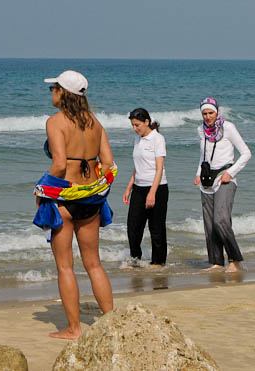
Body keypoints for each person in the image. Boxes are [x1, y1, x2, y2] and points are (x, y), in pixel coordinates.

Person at [33, 70, 115, 340]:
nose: (51, 93)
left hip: (65, 200)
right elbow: (109, 165)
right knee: (94, 264)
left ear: (62, 93)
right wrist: (97, 189)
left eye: (53, 88)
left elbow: (58, 164)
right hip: (91, 199)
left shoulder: (55, 122)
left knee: (65, 267)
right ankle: (112, 322)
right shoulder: (95, 122)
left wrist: (41, 189)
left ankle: (74, 328)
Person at [194, 97, 251, 273]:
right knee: (209, 224)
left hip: (225, 178)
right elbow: (204, 156)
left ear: (217, 112)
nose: (208, 116)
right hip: (206, 180)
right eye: (204, 113)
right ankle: (217, 262)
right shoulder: (200, 130)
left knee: (221, 220)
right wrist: (198, 173)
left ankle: (235, 260)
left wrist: (230, 173)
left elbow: (246, 154)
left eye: (211, 113)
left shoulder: (228, 127)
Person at [122, 108, 169, 269]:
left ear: (146, 122)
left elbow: (159, 168)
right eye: (133, 126)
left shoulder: (158, 139)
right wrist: (129, 187)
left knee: (156, 227)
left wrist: (152, 192)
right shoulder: (137, 139)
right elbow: (138, 166)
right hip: (138, 188)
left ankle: (158, 262)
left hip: (157, 188)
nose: (135, 129)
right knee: (133, 227)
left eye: (137, 125)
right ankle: (135, 259)